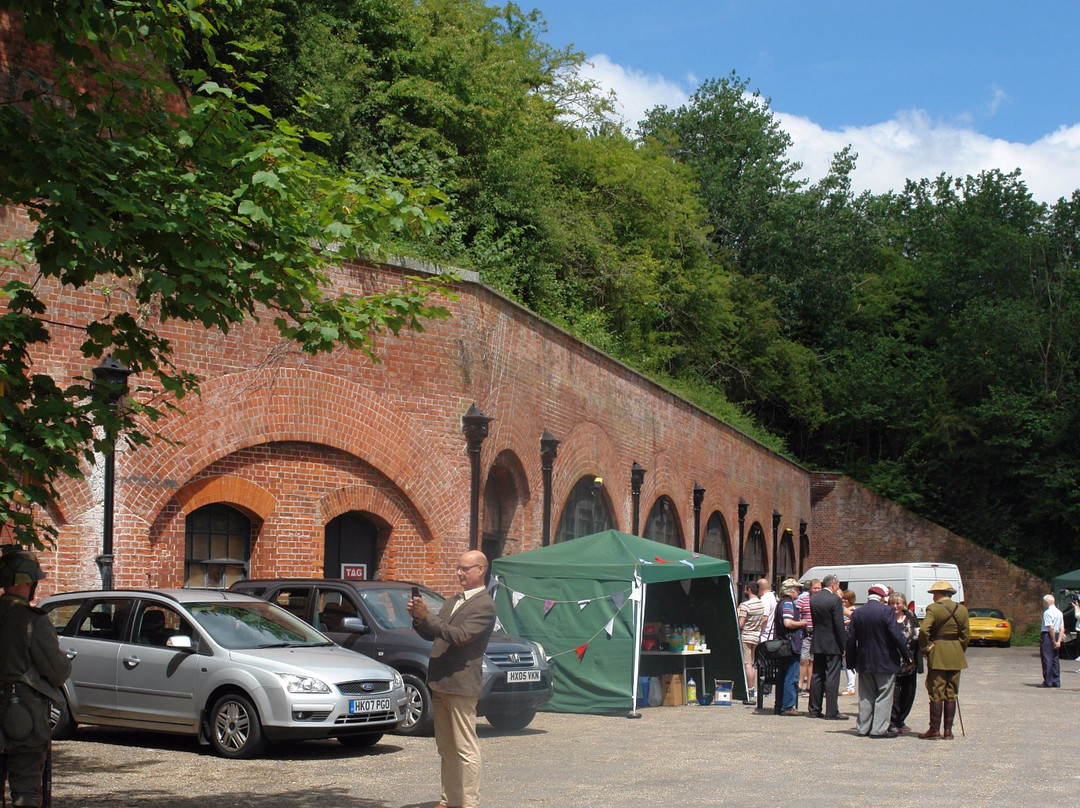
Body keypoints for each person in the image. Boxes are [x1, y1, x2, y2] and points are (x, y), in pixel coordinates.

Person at [407, 550, 497, 808]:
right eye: (458, 568)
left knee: (466, 749)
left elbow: (459, 636)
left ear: (480, 570)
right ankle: (449, 800)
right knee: (446, 748)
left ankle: (469, 803)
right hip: (440, 681)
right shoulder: (453, 600)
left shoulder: (485, 605)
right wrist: (419, 618)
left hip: (461, 682)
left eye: (464, 569)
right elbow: (434, 634)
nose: (459, 573)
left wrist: (428, 617)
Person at [0, 545, 72, 808]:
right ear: (27, 581)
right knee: (26, 792)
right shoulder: (32, 620)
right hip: (23, 715)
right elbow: (58, 672)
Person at [846, 584, 909, 737]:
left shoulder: (858, 613)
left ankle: (863, 727)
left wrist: (851, 662)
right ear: (882, 597)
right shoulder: (886, 611)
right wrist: (906, 655)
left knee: (866, 696)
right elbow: (896, 635)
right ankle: (879, 729)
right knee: (884, 695)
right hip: (885, 660)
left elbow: (850, 639)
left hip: (864, 660)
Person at [917, 579, 969, 740]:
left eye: (934, 594)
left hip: (938, 651)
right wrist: (958, 648)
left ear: (939, 594)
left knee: (936, 692)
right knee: (951, 692)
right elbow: (966, 635)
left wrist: (926, 648)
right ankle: (948, 731)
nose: (932, 597)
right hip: (955, 653)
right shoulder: (962, 610)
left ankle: (934, 730)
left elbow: (924, 630)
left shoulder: (933, 609)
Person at [807, 574, 848, 720]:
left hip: (818, 640)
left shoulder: (814, 598)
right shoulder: (834, 599)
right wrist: (843, 644)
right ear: (834, 584)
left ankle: (814, 709)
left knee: (817, 675)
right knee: (832, 676)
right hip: (832, 642)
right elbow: (838, 624)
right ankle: (831, 711)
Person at [888, 591, 921, 733]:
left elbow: (918, 634)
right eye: (892, 603)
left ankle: (901, 720)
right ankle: (893, 721)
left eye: (898, 603)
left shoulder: (910, 616)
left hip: (910, 660)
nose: (895, 606)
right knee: (894, 694)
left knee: (909, 692)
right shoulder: (887, 617)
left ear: (903, 604)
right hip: (893, 661)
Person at [773, 579, 805, 716]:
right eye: (797, 589)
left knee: (782, 676)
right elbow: (788, 622)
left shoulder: (780, 603)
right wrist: (802, 623)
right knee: (791, 676)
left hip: (782, 645)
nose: (799, 592)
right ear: (790, 590)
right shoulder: (787, 603)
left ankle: (779, 704)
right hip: (790, 645)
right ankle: (788, 706)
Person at [737, 581, 764, 704]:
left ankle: (750, 689)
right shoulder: (760, 604)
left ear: (748, 589)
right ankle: (753, 688)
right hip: (756, 636)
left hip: (746, 636)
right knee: (753, 663)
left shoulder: (745, 605)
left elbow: (741, 624)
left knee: (747, 663)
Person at [795, 578, 821, 693]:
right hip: (806, 633)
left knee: (813, 660)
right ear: (810, 588)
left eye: (819, 588)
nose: (817, 590)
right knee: (804, 659)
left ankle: (810, 685)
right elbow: (796, 613)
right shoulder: (803, 600)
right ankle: (800, 683)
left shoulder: (822, 601)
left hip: (818, 634)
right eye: (815, 588)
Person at [1039, 594, 1064, 688]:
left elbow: (1051, 628)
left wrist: (1053, 641)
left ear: (1046, 602)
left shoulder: (1047, 612)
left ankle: (1048, 681)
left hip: (1048, 636)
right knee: (1055, 659)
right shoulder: (1059, 612)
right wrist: (1059, 641)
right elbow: (1062, 628)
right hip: (1058, 635)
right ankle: (1056, 681)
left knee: (1047, 658)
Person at [840, 590, 857, 695]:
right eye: (843, 598)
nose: (844, 600)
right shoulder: (842, 609)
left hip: (849, 638)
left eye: (846, 598)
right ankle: (849, 686)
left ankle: (851, 687)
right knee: (845, 664)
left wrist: (843, 623)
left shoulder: (853, 610)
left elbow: (853, 621)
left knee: (848, 663)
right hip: (843, 637)